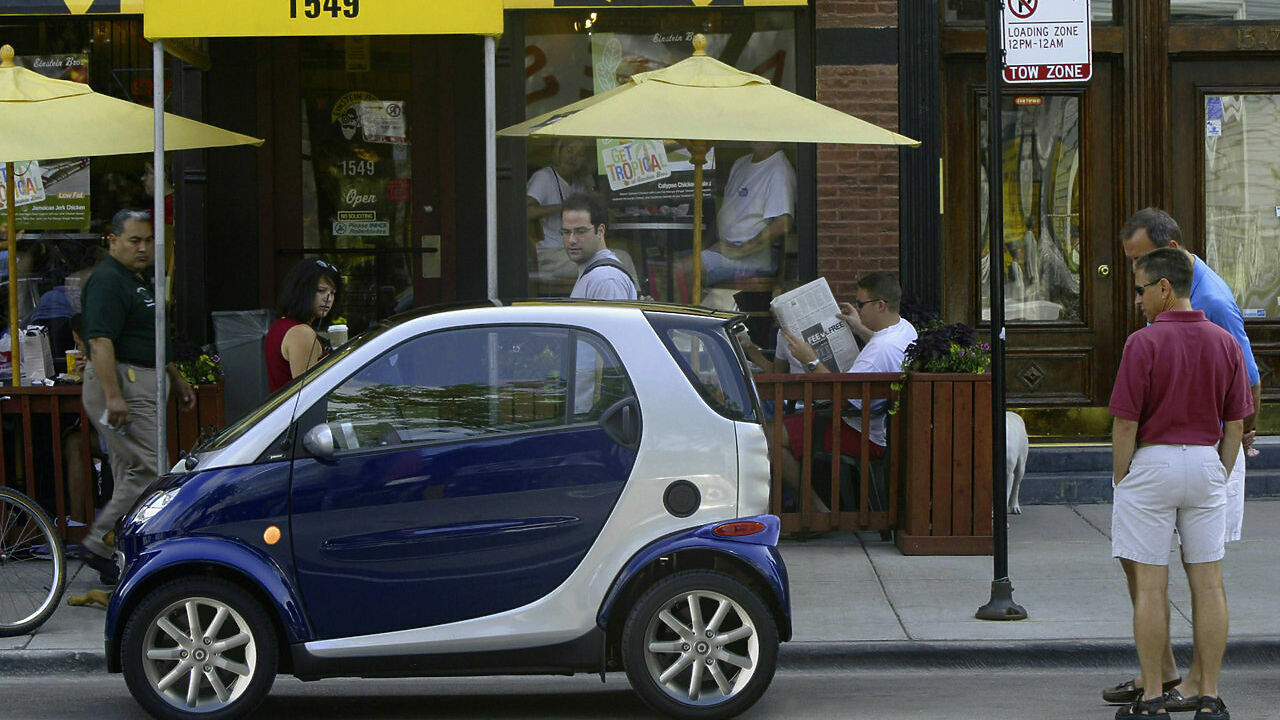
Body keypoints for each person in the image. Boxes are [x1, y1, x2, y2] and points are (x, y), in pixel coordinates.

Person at [1105, 207, 1263, 711]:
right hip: (1207, 462)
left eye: (1141, 290)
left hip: (1154, 462)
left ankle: (1153, 692)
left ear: (1164, 288)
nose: (1137, 300)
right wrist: (1221, 465)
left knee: (1151, 583)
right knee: (1209, 582)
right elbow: (1237, 421)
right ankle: (1209, 693)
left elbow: (1126, 422)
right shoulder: (1224, 342)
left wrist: (1121, 476)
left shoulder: (1143, 342)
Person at [79, 209, 195, 584]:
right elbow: (100, 341)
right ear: (112, 241)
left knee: (129, 470)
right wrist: (114, 395)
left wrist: (174, 376)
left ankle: (119, 552)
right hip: (124, 381)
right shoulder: (108, 281)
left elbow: (152, 338)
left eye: (148, 240)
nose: (143, 248)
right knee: (149, 469)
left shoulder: (136, 279)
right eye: (134, 240)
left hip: (144, 378)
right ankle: (99, 544)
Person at [777, 272, 917, 511]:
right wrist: (859, 328)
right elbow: (880, 342)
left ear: (880, 305)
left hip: (860, 431)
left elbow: (840, 395)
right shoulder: (904, 329)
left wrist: (810, 360)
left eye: (861, 304)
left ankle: (815, 510)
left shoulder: (878, 352)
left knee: (766, 439)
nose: (858, 309)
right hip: (874, 424)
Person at [700, 141, 796, 285]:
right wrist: (703, 247)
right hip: (725, 248)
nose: (761, 138)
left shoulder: (779, 169)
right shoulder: (741, 163)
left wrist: (740, 251)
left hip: (756, 256)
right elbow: (724, 214)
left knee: (688, 267)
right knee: (672, 263)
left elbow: (782, 224)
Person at [528, 138, 596, 286]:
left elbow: (598, 212)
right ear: (558, 152)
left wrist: (591, 186)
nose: (573, 157)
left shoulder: (578, 184)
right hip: (549, 253)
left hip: (576, 251)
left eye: (580, 154)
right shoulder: (544, 177)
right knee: (602, 266)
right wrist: (562, 207)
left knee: (622, 257)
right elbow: (526, 211)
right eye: (569, 151)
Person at [265, 258, 342, 392]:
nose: (328, 298)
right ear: (302, 291)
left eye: (333, 293)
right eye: (321, 290)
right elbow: (309, 393)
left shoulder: (281, 325)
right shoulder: (301, 333)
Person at [562, 193, 637, 301]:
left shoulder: (605, 279)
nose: (571, 240)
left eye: (581, 231)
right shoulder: (597, 275)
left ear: (600, 231)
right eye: (566, 232)